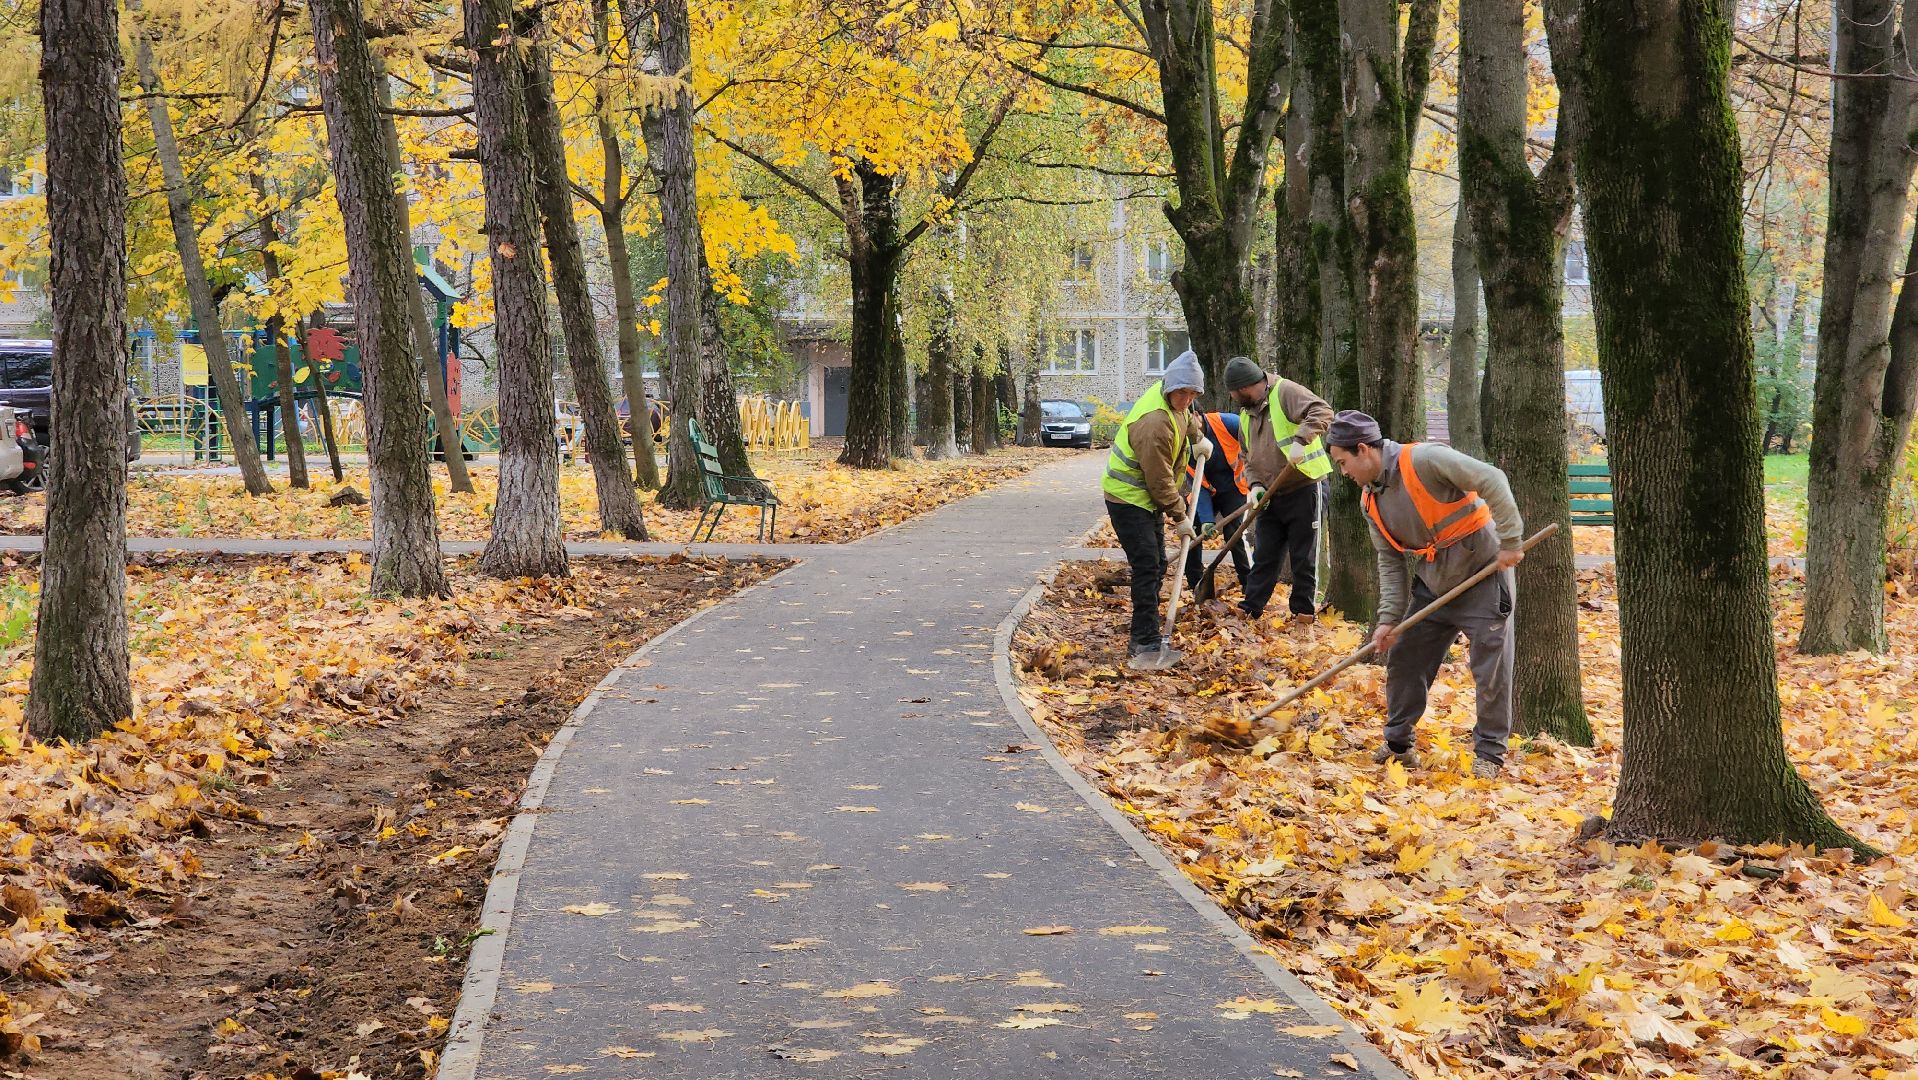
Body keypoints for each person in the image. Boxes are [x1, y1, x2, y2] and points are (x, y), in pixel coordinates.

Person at [1323, 410, 1524, 780]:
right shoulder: (1370, 500)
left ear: (1364, 449)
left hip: (1483, 576)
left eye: (1343, 462)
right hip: (1433, 586)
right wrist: (1389, 620)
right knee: (1405, 658)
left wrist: (1510, 540)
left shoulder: (1426, 459)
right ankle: (1399, 744)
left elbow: (1491, 478)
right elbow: (1390, 562)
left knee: (1490, 668)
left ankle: (1490, 755)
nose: (1343, 472)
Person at [1102, 350, 1211, 666]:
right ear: (1170, 387)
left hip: (1146, 497)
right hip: (1128, 498)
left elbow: (1187, 419)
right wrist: (1180, 516)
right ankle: (1144, 641)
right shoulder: (1154, 423)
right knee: (1148, 564)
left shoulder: (1175, 402)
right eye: (1183, 393)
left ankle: (1145, 629)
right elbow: (1160, 480)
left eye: (1193, 394)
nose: (1187, 399)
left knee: (1157, 563)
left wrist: (1198, 437)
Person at [1222, 357, 1335, 623]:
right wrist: (1256, 485)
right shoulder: (1246, 414)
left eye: (1235, 392)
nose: (1233, 397)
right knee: (1264, 554)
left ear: (1247, 386)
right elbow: (1247, 456)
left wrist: (1301, 440)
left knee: (1303, 556)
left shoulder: (1285, 392)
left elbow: (1322, 411)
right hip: (1272, 495)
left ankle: (1303, 613)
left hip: (1306, 485)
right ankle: (1251, 607)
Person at [1183, 409, 1253, 595]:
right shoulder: (1184, 444)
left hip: (1235, 488)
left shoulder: (1228, 423)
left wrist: (1259, 483)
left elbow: (1257, 447)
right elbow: (1198, 485)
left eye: (1189, 421)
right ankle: (1196, 583)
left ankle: (1249, 583)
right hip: (1207, 490)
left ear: (1198, 414)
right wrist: (1207, 519)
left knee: (1234, 532)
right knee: (1192, 528)